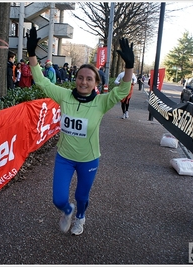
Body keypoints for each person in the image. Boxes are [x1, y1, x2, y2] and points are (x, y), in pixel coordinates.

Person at [26, 26, 134, 235]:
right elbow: (41, 81)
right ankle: (67, 211)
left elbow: (122, 90)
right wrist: (31, 55)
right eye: (80, 77)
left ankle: (80, 217)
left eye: (89, 79)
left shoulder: (102, 102)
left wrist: (129, 66)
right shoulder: (65, 96)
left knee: (82, 197)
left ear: (95, 83)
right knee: (58, 198)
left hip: (89, 159)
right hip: (64, 157)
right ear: (76, 79)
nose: (83, 82)